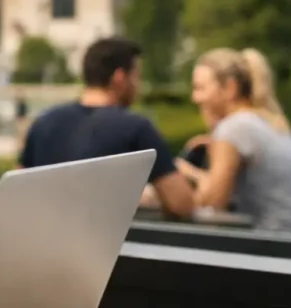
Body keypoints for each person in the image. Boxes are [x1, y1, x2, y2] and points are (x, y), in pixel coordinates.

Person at [18, 37, 194, 218]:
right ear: (119, 78)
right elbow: (181, 204)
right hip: (109, 244)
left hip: (45, 241)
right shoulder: (135, 128)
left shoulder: (43, 123)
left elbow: (18, 193)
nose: (138, 86)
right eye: (136, 77)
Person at [179, 48, 291, 234]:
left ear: (230, 88)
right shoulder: (267, 120)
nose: (195, 98)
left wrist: (188, 173)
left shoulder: (233, 128)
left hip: (272, 248)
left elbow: (213, 206)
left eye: (201, 88)